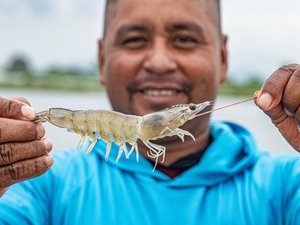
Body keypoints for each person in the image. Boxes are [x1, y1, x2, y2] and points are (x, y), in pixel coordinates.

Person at [0, 0, 299, 224]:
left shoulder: (286, 186)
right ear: (102, 60)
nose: (158, 62)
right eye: (134, 40)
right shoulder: (38, 179)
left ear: (222, 57)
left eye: (184, 39)